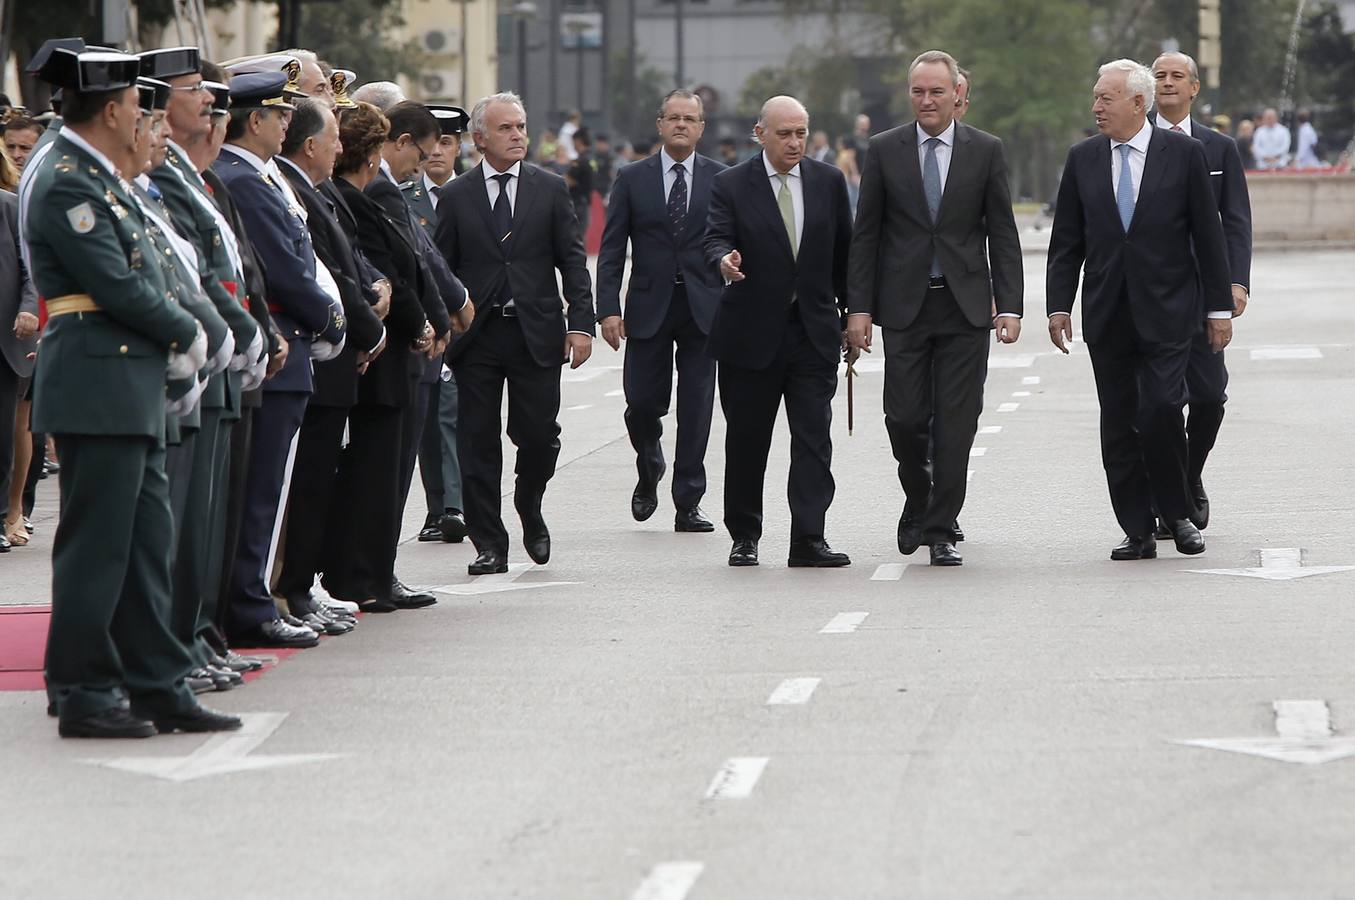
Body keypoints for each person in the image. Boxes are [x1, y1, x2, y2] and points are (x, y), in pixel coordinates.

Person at [25, 44, 239, 737]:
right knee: (99, 547)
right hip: (97, 377)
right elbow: (117, 282)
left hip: (125, 378)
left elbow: (144, 264)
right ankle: (84, 688)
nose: (141, 117)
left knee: (147, 543)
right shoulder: (64, 177)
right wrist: (187, 329)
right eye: (133, 106)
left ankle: (155, 682)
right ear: (112, 109)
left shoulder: (96, 174)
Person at [1046, 59, 1232, 561]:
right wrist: (1058, 306)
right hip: (1108, 313)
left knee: (1163, 409)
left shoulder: (1184, 154)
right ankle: (1137, 528)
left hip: (1171, 311)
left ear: (1137, 102)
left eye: (1105, 98)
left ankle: (1177, 512)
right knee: (1119, 422)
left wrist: (1218, 307)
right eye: (1096, 97)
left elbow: (1209, 238)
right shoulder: (1082, 158)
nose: (1096, 107)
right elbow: (1066, 241)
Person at [846, 51, 1022, 568]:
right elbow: (867, 235)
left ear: (955, 95)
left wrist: (1008, 305)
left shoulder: (985, 150)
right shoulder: (884, 149)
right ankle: (919, 499)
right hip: (903, 308)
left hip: (965, 309)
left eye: (936, 92)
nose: (927, 100)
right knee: (903, 419)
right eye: (918, 92)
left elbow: (1003, 234)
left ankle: (940, 526)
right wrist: (858, 308)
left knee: (956, 422)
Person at [433, 91, 594, 575]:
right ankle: (490, 542)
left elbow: (572, 259)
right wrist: (442, 327)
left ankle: (530, 501)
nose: (518, 135)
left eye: (521, 126)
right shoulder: (457, 195)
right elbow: (442, 266)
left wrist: (580, 323)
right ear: (480, 138)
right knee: (477, 442)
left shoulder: (550, 188)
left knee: (540, 435)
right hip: (477, 337)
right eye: (506, 128)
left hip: (536, 333)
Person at [214, 71, 346, 647]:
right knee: (262, 489)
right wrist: (330, 319)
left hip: (285, 349)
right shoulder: (242, 179)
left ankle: (254, 598)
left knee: (268, 488)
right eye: (277, 114)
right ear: (254, 121)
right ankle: (251, 603)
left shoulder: (254, 177)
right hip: (278, 349)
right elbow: (284, 268)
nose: (287, 123)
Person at [704, 95, 854, 569]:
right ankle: (745, 534)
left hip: (812, 331)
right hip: (750, 334)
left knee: (813, 437)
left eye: (801, 133)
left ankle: (809, 538)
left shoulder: (829, 182)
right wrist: (723, 262)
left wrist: (854, 315)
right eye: (785, 133)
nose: (794, 142)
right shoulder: (731, 184)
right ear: (760, 133)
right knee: (748, 440)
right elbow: (714, 238)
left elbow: (845, 255)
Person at [274, 97, 387, 630]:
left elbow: (347, 261)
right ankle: (286, 590)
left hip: (329, 353)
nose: (342, 148)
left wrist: (372, 299)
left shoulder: (312, 190)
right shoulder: (286, 186)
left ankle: (298, 588)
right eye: (334, 137)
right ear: (313, 143)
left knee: (314, 485)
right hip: (315, 352)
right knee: (296, 488)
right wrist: (363, 325)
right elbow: (314, 274)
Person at [597, 89, 725, 533]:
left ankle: (688, 501)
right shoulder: (632, 178)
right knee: (641, 403)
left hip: (703, 308)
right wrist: (607, 309)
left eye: (690, 119)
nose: (681, 125)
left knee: (697, 407)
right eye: (674, 118)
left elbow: (731, 241)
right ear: (660, 124)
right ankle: (649, 460)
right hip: (648, 306)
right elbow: (612, 248)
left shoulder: (720, 178)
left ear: (701, 127)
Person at [1151, 52, 1252, 534]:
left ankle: (1190, 476)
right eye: (1159, 76)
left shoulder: (1219, 148)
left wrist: (1235, 282)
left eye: (1176, 77)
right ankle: (1165, 494)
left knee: (1209, 396)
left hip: (1203, 295)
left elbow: (1235, 222)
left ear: (1194, 89)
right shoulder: (1131, 143)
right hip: (1151, 297)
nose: (1167, 83)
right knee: (1159, 404)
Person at [403, 103, 472, 545]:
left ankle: (458, 503)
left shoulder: (472, 194)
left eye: (446, 143)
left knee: (462, 414)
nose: (437, 153)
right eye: (431, 144)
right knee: (433, 416)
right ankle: (440, 507)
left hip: (470, 320)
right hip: (430, 320)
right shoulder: (404, 197)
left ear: (460, 146)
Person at [0, 175, 38, 555]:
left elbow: (32, 271)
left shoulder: (9, 207)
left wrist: (29, 309)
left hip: (5, 337)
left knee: (7, 430)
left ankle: (5, 512)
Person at [566, 127, 594, 234]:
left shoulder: (580, 161)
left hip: (577, 203)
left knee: (576, 235)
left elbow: (569, 180)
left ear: (578, 141)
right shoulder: (592, 157)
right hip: (586, 201)